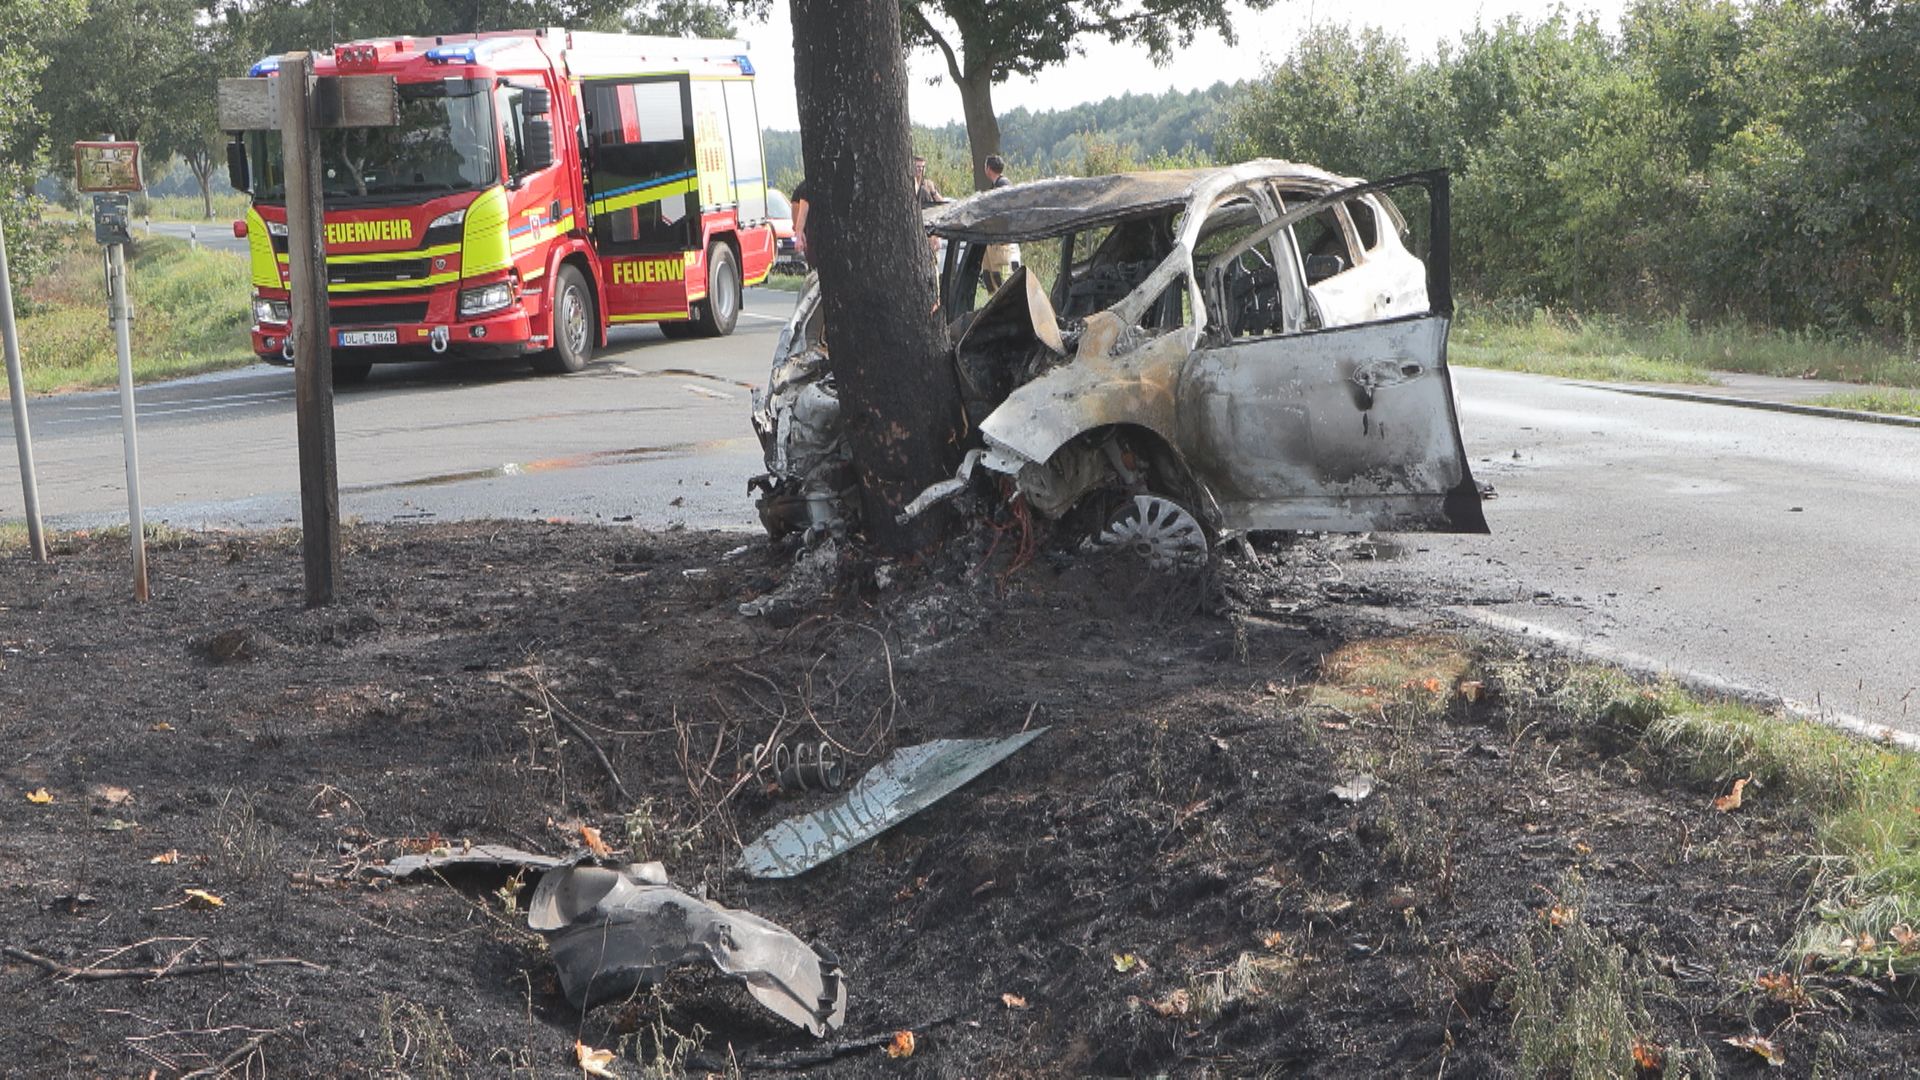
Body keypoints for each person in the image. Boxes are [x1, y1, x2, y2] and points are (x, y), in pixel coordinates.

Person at [980, 155, 1021, 292]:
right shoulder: (996, 186)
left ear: (988, 169)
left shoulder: (1003, 186)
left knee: (1003, 275)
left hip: (1004, 241)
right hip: (999, 239)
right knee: (991, 275)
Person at [789, 178, 813, 268]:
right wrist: (799, 234)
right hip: (811, 234)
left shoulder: (803, 186)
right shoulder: (808, 187)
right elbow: (802, 211)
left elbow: (794, 204)